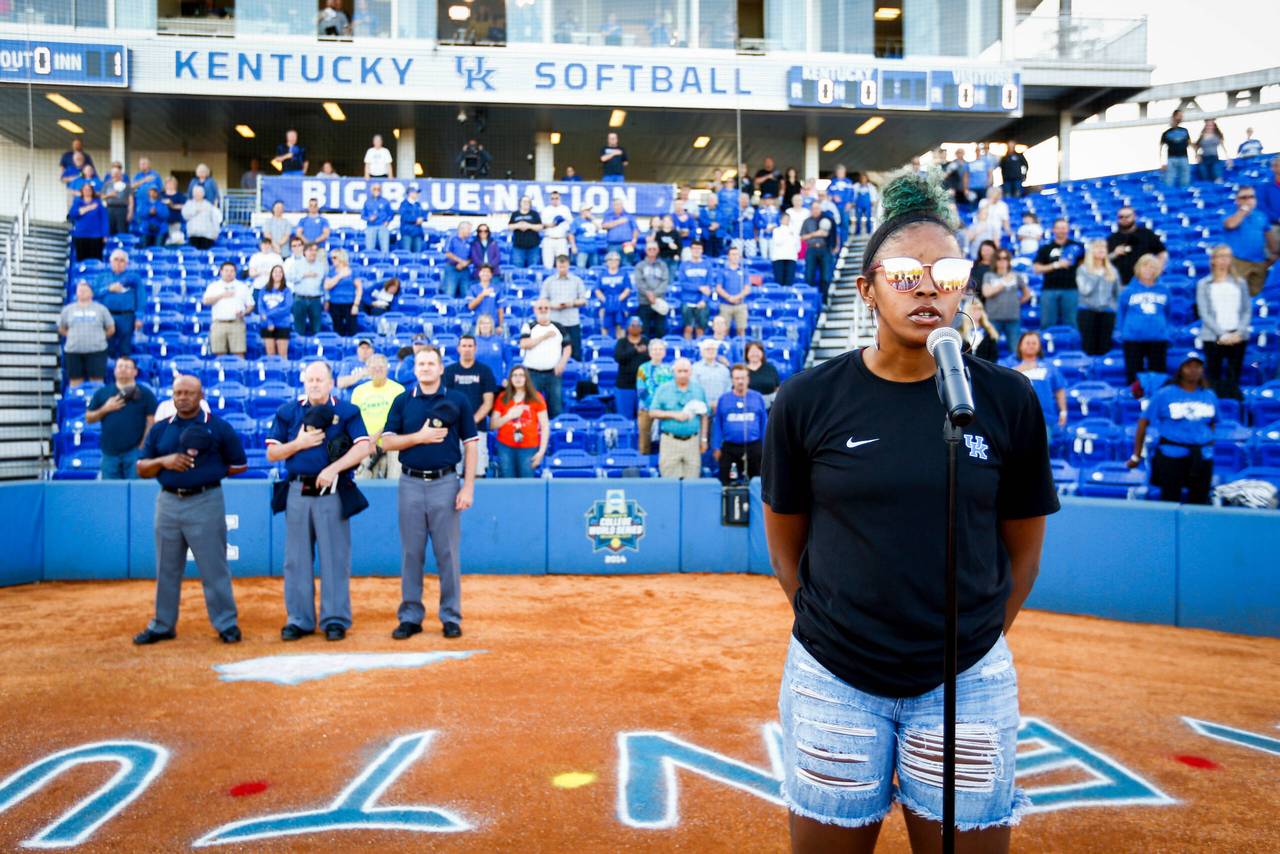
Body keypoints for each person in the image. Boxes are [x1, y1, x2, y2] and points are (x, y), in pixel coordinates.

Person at [762, 171, 1057, 854]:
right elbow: (785, 547)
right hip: (834, 677)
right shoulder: (807, 399)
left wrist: (970, 645)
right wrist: (837, 634)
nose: (926, 286)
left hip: (968, 682)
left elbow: (1024, 554)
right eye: (903, 272)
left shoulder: (1008, 399)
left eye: (947, 272)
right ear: (867, 289)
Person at [133, 375, 246, 645]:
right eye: (178, 393)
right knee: (166, 567)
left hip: (206, 501)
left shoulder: (219, 427)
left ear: (201, 396)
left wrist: (207, 473)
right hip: (168, 502)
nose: (183, 397)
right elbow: (141, 468)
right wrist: (165, 461)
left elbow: (239, 465)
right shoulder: (160, 429)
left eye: (189, 393)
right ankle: (162, 624)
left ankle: (226, 623)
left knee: (213, 567)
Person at [267, 361, 373, 642]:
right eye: (309, 379)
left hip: (332, 491)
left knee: (335, 559)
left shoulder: (347, 410)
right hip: (297, 490)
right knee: (296, 560)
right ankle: (298, 619)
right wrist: (299, 444)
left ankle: (335, 619)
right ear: (304, 382)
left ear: (331, 382)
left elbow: (365, 446)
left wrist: (333, 469)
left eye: (319, 379)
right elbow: (273, 454)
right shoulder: (288, 411)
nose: (314, 384)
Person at [379, 346, 478, 640]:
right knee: (411, 554)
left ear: (440, 368)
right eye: (420, 363)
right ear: (415, 369)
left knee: (448, 555)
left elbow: (471, 445)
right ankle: (410, 616)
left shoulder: (457, 399)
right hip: (409, 483)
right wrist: (419, 438)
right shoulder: (402, 401)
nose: (425, 368)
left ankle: (450, 616)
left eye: (430, 363)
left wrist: (468, 486)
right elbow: (386, 443)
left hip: (445, 484)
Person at [1127, 353, 1217, 505]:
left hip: (1201, 458)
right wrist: (1136, 455)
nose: (1194, 370)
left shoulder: (1210, 395)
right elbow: (1143, 422)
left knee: (1200, 502)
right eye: (1189, 366)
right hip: (1172, 457)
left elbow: (1212, 423)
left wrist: (1206, 444)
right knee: (1170, 501)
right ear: (1180, 370)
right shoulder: (1164, 394)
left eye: (1198, 366)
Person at [1195, 245, 1252, 401]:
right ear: (1213, 260)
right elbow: (1204, 312)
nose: (1224, 260)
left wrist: (1238, 332)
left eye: (1227, 256)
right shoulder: (1204, 284)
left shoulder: (1240, 282)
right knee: (1213, 376)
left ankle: (1234, 409)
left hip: (1238, 337)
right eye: (1221, 256)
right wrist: (1223, 334)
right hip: (1213, 337)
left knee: (1234, 376)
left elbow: (1247, 309)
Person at [86, 356, 157, 480]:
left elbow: (152, 421)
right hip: (109, 451)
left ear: (135, 372)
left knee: (137, 490)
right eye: (120, 366)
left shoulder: (145, 393)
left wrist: (142, 445)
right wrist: (106, 409)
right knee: (110, 493)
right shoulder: (103, 393)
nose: (123, 369)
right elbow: (89, 418)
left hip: (135, 451)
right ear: (114, 370)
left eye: (127, 367)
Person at [444, 335, 498, 477]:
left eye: (470, 346)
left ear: (475, 349)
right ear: (458, 349)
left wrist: (469, 422)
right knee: (454, 473)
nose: (467, 349)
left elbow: (488, 402)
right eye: (464, 346)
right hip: (453, 430)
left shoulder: (484, 371)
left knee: (478, 471)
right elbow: (444, 401)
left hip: (477, 429)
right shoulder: (449, 371)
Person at [1117, 254, 1173, 386]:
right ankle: (1134, 402)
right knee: (1133, 374)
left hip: (1158, 339)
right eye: (1145, 266)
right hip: (1132, 338)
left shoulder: (1164, 291)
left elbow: (1168, 312)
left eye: (1152, 267)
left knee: (1158, 375)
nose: (1149, 270)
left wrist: (1162, 328)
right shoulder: (1128, 291)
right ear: (1138, 268)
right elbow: (1121, 313)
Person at [648, 358, 709, 479]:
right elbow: (653, 412)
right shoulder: (664, 389)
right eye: (679, 371)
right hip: (670, 441)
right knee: (670, 480)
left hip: (692, 441)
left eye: (686, 371)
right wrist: (674, 415)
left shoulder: (698, 390)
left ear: (691, 372)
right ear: (674, 372)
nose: (683, 374)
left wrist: (704, 439)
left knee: (692, 479)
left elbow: (704, 415)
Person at [351, 354, 405, 479]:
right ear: (368, 369)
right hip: (365, 443)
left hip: (392, 443)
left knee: (395, 481)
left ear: (387, 368)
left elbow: (400, 420)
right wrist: (368, 440)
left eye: (381, 366)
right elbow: (354, 421)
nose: (377, 369)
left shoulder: (398, 390)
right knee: (361, 482)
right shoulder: (359, 391)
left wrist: (377, 436)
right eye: (373, 366)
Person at [712, 363, 768, 484]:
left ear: (748, 379)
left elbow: (764, 423)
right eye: (737, 378)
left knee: (757, 482)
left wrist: (766, 446)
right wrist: (716, 447)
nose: (740, 381)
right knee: (726, 482)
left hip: (754, 446)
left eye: (743, 378)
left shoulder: (757, 397)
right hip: (730, 447)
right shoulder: (724, 399)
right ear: (732, 379)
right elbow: (718, 425)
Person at [491, 364, 549, 478]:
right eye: (515, 375)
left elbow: (545, 426)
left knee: (527, 483)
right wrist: (509, 416)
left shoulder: (536, 398)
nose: (518, 378)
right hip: (506, 447)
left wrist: (541, 452)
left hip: (529, 447)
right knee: (508, 482)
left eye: (521, 375)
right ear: (510, 379)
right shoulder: (503, 397)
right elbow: (492, 425)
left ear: (527, 379)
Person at [519, 298, 571, 419]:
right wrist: (544, 336)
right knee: (531, 408)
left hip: (553, 374)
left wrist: (562, 363)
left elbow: (568, 347)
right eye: (540, 308)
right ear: (535, 310)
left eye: (546, 308)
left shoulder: (558, 327)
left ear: (550, 309)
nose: (543, 310)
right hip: (533, 374)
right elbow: (524, 344)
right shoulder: (529, 326)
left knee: (556, 408)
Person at [1012, 332, 1069, 435]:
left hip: (1044, 417)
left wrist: (1063, 411)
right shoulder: (1007, 364)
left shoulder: (1049, 366)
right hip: (1016, 418)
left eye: (1034, 343)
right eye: (1027, 343)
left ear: (1039, 347)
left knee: (1042, 450)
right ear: (1020, 345)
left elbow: (1059, 390)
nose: (1031, 345)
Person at [59, 282, 114, 388]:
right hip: (73, 352)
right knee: (75, 380)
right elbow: (62, 327)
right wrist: (72, 336)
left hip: (97, 352)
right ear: (76, 293)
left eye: (86, 290)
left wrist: (101, 338)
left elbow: (111, 328)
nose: (83, 292)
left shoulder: (101, 309)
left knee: (97, 381)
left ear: (92, 294)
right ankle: (76, 403)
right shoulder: (68, 310)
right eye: (80, 290)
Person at [1032, 218, 1084, 329]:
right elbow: (1037, 269)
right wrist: (1056, 265)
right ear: (1053, 230)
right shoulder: (1046, 249)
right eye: (1058, 228)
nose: (1061, 230)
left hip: (1071, 289)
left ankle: (1072, 346)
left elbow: (1084, 265)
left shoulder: (1077, 246)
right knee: (1047, 323)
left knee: (1071, 323)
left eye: (1063, 228)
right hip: (1049, 289)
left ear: (1068, 229)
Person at [1072, 239, 1121, 357]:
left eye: (1103, 248)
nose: (1101, 250)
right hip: (1087, 311)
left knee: (1105, 346)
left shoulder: (1112, 270)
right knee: (1088, 345)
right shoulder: (1082, 269)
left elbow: (1117, 292)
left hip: (1107, 312)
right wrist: (1096, 275)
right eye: (1097, 247)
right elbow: (1084, 290)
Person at [93, 249, 144, 359]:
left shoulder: (134, 277)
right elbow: (93, 293)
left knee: (125, 347)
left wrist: (139, 317)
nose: (118, 262)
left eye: (122, 260)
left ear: (126, 263)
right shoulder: (102, 277)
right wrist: (108, 289)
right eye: (116, 260)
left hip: (126, 317)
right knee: (107, 346)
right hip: (107, 316)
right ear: (111, 261)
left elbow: (141, 297)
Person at [1222, 185, 1271, 296]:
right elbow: (1230, 224)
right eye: (1244, 197)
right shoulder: (1228, 214)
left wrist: (1274, 254)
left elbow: (1268, 234)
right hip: (1238, 261)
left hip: (1259, 261)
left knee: (1257, 295)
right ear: (1237, 200)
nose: (1248, 200)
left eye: (1251, 197)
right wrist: (1243, 210)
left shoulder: (1261, 215)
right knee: (1237, 294)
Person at [980, 248, 1031, 351]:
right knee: (991, 349)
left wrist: (1017, 302)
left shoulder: (1016, 275)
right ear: (995, 260)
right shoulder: (989, 275)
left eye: (1005, 258)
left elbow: (1027, 294)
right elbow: (986, 292)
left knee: (1015, 349)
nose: (1002, 261)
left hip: (1013, 318)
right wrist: (1004, 282)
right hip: (993, 318)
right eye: (999, 258)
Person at [539, 255, 588, 361]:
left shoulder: (576, 281)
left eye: (564, 266)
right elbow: (542, 301)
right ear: (556, 265)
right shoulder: (549, 281)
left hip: (572, 321)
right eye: (560, 266)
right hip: (554, 321)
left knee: (574, 353)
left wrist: (573, 303)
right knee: (554, 353)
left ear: (568, 265)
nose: (562, 269)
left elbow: (583, 300)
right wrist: (553, 305)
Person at [203, 262, 254, 357]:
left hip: (237, 322)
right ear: (221, 272)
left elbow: (250, 305)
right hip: (219, 323)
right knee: (219, 352)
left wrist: (245, 312)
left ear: (235, 273)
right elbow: (206, 301)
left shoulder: (242, 286)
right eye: (226, 271)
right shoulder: (214, 286)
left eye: (231, 271)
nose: (229, 273)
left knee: (239, 352)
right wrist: (221, 296)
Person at [1106, 207, 1168, 285]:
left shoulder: (1146, 234)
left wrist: (1157, 272)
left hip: (1144, 283)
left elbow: (1162, 253)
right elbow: (1103, 261)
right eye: (1121, 217)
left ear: (1134, 216)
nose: (1124, 219)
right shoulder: (1112, 239)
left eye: (1127, 216)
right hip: (1121, 284)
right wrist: (1114, 254)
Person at [635, 338, 673, 455]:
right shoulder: (642, 368)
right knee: (644, 444)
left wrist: (663, 406)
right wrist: (654, 405)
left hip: (665, 411)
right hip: (646, 410)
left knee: (666, 443)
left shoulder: (670, 369)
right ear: (650, 352)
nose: (657, 351)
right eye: (655, 349)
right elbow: (641, 390)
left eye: (660, 349)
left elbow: (672, 389)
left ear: (664, 352)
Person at [612, 317, 649, 420]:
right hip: (624, 387)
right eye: (633, 325)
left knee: (643, 419)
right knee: (625, 418)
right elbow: (618, 358)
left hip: (644, 387)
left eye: (638, 325)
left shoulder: (647, 342)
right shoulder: (622, 342)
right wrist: (635, 351)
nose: (636, 327)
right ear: (628, 327)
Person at [288, 241, 326, 336]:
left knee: (316, 327)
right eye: (310, 250)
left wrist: (327, 299)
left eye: (315, 250)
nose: (313, 253)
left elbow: (324, 284)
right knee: (299, 328)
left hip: (315, 299)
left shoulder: (321, 266)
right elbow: (289, 278)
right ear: (304, 252)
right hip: (300, 299)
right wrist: (304, 275)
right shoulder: (296, 264)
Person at [633, 241, 671, 340]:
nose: (652, 251)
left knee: (660, 331)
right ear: (646, 251)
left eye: (654, 249)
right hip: (644, 302)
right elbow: (639, 282)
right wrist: (648, 294)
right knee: (644, 332)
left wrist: (654, 294)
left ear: (658, 250)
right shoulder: (640, 266)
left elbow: (665, 281)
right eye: (650, 249)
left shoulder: (663, 266)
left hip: (659, 302)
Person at [678, 241, 715, 338]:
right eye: (694, 248)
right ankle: (687, 351)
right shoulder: (684, 265)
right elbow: (683, 284)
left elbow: (708, 285)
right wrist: (699, 287)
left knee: (700, 329)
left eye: (698, 248)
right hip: (687, 301)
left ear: (702, 250)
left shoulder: (707, 265)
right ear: (691, 250)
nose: (696, 251)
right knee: (688, 328)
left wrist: (704, 300)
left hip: (702, 302)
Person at [324, 248, 362, 338]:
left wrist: (356, 305)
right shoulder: (332, 272)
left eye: (334, 257)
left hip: (349, 303)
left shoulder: (352, 271)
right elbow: (327, 286)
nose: (332, 260)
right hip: (335, 304)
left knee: (353, 329)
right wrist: (340, 276)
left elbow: (359, 288)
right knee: (338, 329)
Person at [258, 265, 293, 357]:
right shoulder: (263, 290)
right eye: (275, 272)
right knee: (270, 355)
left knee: (282, 354)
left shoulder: (287, 291)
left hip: (282, 324)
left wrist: (268, 316)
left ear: (283, 274)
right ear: (271, 274)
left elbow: (286, 308)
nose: (278, 274)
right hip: (266, 325)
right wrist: (269, 322)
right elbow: (261, 307)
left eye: (280, 272)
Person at [800, 201, 836, 293]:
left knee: (825, 277)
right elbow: (802, 237)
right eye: (814, 209)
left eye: (817, 208)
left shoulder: (828, 219)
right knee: (809, 276)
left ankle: (824, 301)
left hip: (824, 249)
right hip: (811, 249)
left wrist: (835, 247)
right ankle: (810, 298)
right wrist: (815, 234)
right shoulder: (807, 221)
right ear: (811, 210)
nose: (816, 210)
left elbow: (835, 234)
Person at [68, 184, 108, 264]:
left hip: (95, 237)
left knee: (96, 260)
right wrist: (87, 208)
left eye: (89, 189)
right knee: (81, 259)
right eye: (85, 189)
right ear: (81, 192)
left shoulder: (99, 205)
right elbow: (72, 214)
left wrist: (105, 235)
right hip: (80, 236)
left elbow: (104, 220)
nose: (87, 191)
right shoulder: (77, 203)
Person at [596, 251, 633, 338]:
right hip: (605, 306)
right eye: (611, 260)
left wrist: (618, 300)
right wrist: (606, 301)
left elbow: (627, 289)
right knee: (605, 327)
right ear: (607, 262)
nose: (613, 262)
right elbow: (597, 289)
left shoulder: (623, 274)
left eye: (616, 260)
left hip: (621, 305)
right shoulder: (602, 274)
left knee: (621, 328)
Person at [716, 245, 751, 335]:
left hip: (741, 305)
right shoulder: (722, 271)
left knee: (741, 330)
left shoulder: (744, 271)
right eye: (733, 254)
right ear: (728, 257)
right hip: (725, 304)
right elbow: (718, 288)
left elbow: (747, 289)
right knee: (724, 330)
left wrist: (737, 297)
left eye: (737, 255)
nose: (735, 257)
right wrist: (729, 298)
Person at [691, 337, 731, 413]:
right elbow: (694, 390)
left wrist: (719, 403)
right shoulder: (695, 368)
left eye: (713, 349)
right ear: (701, 352)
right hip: (701, 409)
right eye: (707, 349)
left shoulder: (724, 370)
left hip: (721, 409)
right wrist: (707, 404)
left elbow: (728, 389)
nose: (711, 351)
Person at [541, 190, 574, 269]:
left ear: (560, 199)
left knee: (563, 262)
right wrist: (551, 225)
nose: (554, 200)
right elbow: (541, 225)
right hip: (549, 238)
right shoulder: (546, 210)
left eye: (556, 198)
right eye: (553, 198)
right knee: (547, 264)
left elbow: (571, 224)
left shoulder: (565, 209)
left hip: (561, 239)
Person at [182, 185, 222, 250]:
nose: (197, 194)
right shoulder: (188, 204)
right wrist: (197, 210)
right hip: (193, 235)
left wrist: (216, 232)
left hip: (207, 236)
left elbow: (214, 220)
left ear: (203, 194)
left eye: (198, 192)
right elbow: (185, 216)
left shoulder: (209, 205)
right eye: (195, 192)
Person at [440, 220, 473, 298]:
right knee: (449, 292)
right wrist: (461, 262)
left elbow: (473, 256)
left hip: (465, 269)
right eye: (468, 229)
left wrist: (465, 263)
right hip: (451, 268)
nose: (470, 232)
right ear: (462, 228)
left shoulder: (470, 241)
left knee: (466, 294)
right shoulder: (452, 238)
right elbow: (447, 253)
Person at [1160, 110, 1193, 188]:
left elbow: (1189, 143)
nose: (1181, 117)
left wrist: (1196, 153)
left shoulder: (1184, 131)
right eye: (1179, 115)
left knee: (1185, 181)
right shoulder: (1166, 133)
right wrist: (1162, 163)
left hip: (1184, 157)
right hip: (1172, 158)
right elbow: (1161, 147)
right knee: (1169, 181)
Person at [508, 196, 543, 269]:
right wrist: (518, 225)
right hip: (518, 247)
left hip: (533, 246)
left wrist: (529, 226)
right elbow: (509, 227)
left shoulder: (534, 214)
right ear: (520, 203)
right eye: (524, 201)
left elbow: (540, 227)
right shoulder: (515, 214)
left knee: (534, 267)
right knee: (517, 267)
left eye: (528, 202)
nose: (526, 203)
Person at [961, 298, 1000, 362]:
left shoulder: (990, 332)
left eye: (979, 309)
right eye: (974, 309)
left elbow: (994, 356)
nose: (977, 312)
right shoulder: (960, 331)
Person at [602, 198, 640, 264]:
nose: (618, 206)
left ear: (622, 205)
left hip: (627, 244)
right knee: (613, 263)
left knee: (627, 263)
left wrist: (634, 241)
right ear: (613, 206)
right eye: (616, 205)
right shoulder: (609, 216)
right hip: (613, 245)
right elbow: (604, 226)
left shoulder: (629, 216)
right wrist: (618, 222)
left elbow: (635, 229)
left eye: (619, 204)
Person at [743, 340, 779, 407]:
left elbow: (777, 388)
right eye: (752, 352)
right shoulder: (742, 370)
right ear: (746, 354)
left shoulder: (771, 369)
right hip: (748, 405)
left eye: (757, 351)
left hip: (770, 406)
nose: (755, 354)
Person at [361, 182, 393, 255]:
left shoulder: (385, 201)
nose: (376, 190)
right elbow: (363, 215)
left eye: (378, 189)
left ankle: (384, 264)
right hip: (371, 226)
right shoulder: (367, 202)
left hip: (382, 226)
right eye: (375, 189)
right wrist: (369, 218)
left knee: (385, 248)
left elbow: (391, 214)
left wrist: (387, 221)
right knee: (370, 248)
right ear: (371, 190)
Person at [770, 213, 800, 290]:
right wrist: (788, 234)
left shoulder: (794, 231)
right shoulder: (777, 231)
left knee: (789, 280)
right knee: (779, 279)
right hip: (779, 257)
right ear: (780, 220)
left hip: (791, 257)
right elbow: (778, 241)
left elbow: (797, 245)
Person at [101, 162, 131, 237]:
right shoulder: (107, 185)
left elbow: (131, 199)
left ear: (120, 174)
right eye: (114, 173)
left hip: (122, 209)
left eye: (117, 173)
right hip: (110, 209)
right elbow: (102, 197)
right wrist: (109, 195)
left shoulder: (127, 186)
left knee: (122, 230)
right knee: (110, 229)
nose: (115, 175)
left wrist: (130, 212)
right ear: (111, 174)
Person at [1195, 120, 1228, 184]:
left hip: (1214, 158)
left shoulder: (1217, 136)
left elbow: (1223, 146)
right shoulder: (1202, 136)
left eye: (1211, 125)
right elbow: (1197, 147)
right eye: (1208, 125)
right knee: (1204, 178)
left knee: (1217, 176)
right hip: (1204, 159)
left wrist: (1227, 158)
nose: (1209, 127)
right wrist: (1197, 155)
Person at [397, 184, 427, 254]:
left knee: (418, 253)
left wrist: (422, 219)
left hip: (418, 232)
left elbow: (423, 214)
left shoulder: (417, 204)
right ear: (410, 193)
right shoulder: (404, 204)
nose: (417, 195)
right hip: (407, 232)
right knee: (407, 253)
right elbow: (404, 216)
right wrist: (415, 219)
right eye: (416, 193)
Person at [652, 213, 683, 279]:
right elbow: (658, 245)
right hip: (662, 258)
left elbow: (679, 246)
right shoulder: (659, 234)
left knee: (671, 277)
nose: (667, 223)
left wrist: (678, 254)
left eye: (669, 221)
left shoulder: (676, 233)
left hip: (673, 258)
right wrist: (669, 245)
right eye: (665, 221)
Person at [569, 203, 601, 269]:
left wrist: (592, 219)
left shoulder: (591, 220)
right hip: (582, 248)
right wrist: (573, 246)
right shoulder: (577, 220)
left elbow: (598, 229)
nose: (589, 212)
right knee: (581, 267)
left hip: (593, 247)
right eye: (587, 210)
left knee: (594, 267)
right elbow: (571, 234)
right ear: (583, 211)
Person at [157, 177, 186, 246]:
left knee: (174, 239)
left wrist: (172, 205)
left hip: (175, 220)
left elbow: (183, 205)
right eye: (168, 183)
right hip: (163, 221)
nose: (169, 185)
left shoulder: (179, 194)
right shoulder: (161, 194)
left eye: (171, 183)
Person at [698, 193, 725, 258]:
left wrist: (717, 225)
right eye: (710, 199)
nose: (711, 201)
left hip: (718, 235)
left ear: (717, 201)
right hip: (706, 236)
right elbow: (701, 220)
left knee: (718, 253)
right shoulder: (704, 210)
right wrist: (710, 224)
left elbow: (724, 220)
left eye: (713, 200)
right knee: (707, 253)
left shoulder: (721, 210)